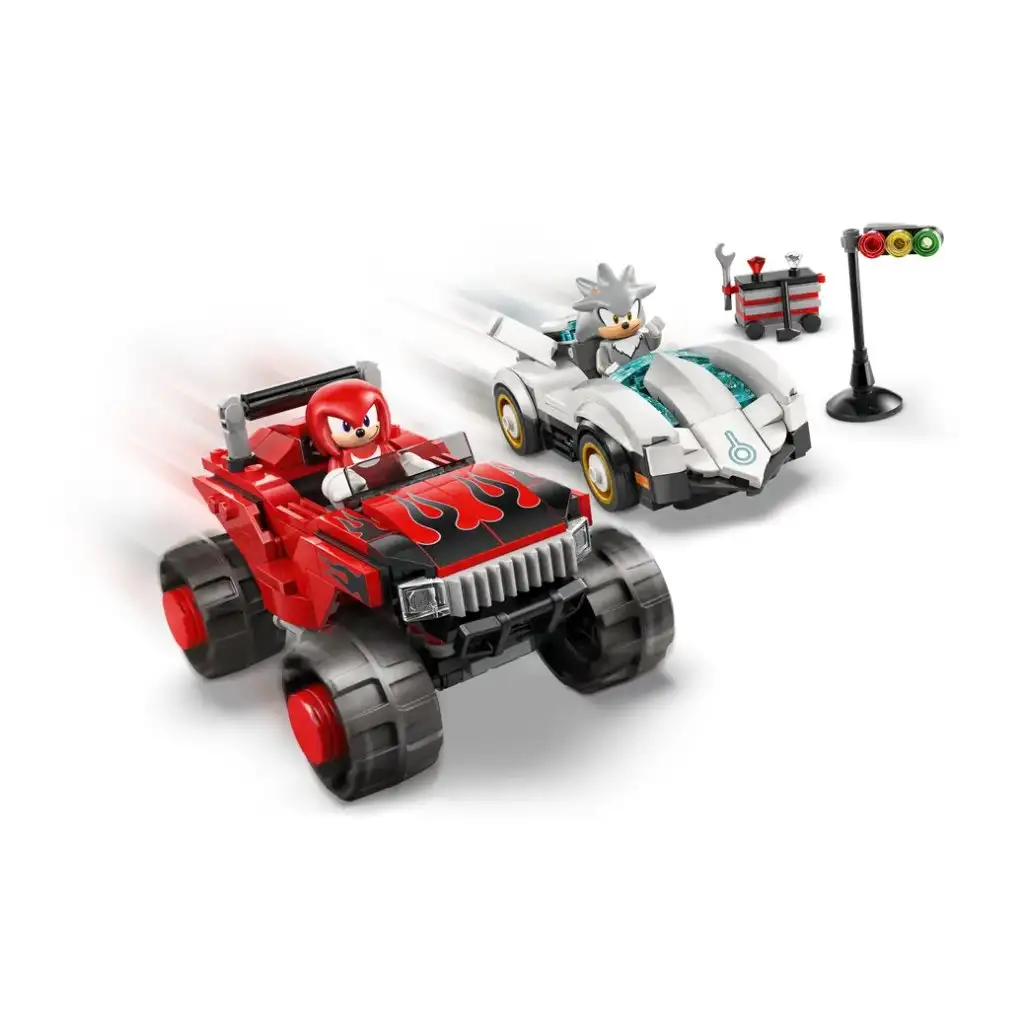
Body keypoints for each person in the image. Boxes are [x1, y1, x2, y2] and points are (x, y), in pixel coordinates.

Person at [306, 380, 434, 504]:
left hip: (398, 493)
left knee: (408, 458)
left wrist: (411, 464)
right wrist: (341, 485)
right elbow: (335, 485)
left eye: (366, 421)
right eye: (346, 427)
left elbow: (397, 463)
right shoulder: (341, 460)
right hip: (363, 504)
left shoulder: (384, 447)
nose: (360, 431)